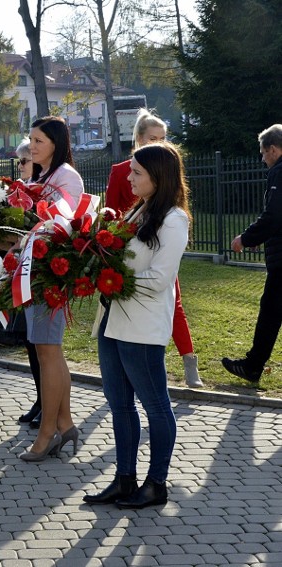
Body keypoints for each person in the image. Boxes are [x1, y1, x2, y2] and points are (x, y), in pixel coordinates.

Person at [85, 141, 190, 509]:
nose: (128, 178)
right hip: (113, 320)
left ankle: (156, 483)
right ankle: (124, 479)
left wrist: (113, 279)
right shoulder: (139, 211)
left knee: (156, 406)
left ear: (157, 177)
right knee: (120, 405)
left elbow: (160, 279)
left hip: (142, 327)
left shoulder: (174, 219)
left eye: (136, 173)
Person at [106, 109, 202, 388]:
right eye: (152, 138)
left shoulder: (166, 186)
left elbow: (172, 211)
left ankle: (188, 359)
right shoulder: (124, 174)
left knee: (175, 302)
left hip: (155, 255)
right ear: (138, 139)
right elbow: (112, 212)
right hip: (132, 252)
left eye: (163, 138)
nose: (159, 143)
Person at [18, 116, 83, 462]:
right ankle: (65, 423)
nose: (32, 145)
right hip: (37, 271)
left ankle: (48, 433)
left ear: (56, 144)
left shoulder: (66, 177)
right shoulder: (42, 176)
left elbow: (61, 225)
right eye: (30, 139)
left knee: (48, 351)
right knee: (47, 352)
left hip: (50, 272)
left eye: (39, 140)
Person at [0, 139, 43, 428]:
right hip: (17, 277)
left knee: (41, 345)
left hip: (37, 278)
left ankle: (48, 401)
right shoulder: (15, 192)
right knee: (31, 344)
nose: (20, 166)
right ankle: (40, 399)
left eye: (24, 160)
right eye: (19, 161)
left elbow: (35, 233)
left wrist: (7, 240)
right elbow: (8, 239)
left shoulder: (42, 192)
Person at [223, 124, 282, 383]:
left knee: (270, 311)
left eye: (263, 152)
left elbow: (274, 216)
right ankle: (253, 364)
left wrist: (245, 239)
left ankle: (253, 366)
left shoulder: (278, 173)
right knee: (271, 310)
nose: (262, 158)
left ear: (272, 149)